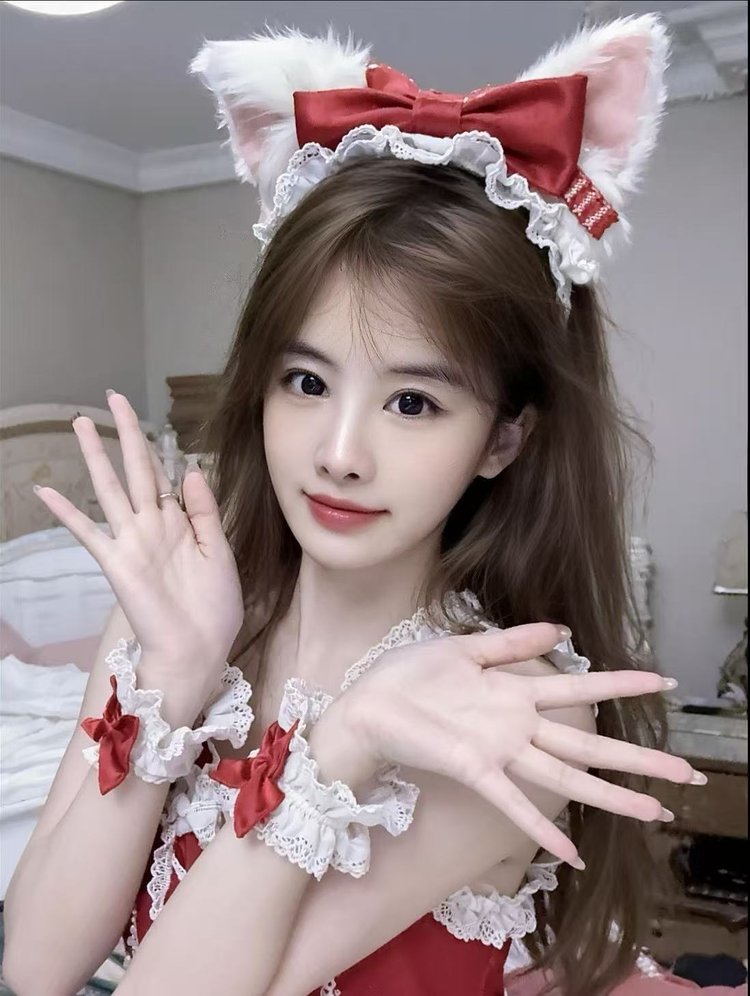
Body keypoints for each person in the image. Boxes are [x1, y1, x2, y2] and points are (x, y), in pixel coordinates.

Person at [2, 14, 732, 996]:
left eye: (413, 402)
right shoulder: (177, 617)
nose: (339, 456)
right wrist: (170, 675)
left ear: (503, 439)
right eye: (306, 383)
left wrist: (345, 745)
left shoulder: (502, 704)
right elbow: (38, 966)